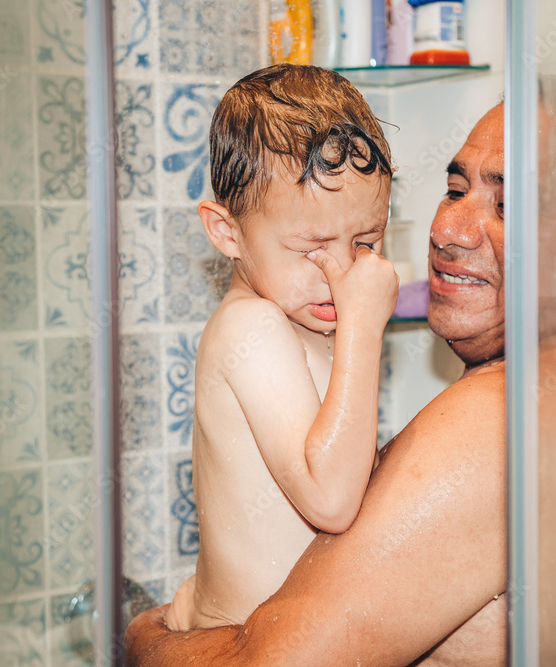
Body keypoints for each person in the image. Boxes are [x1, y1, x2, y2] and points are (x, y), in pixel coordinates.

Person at [128, 75, 556, 665]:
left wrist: (143, 637)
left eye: (508, 204)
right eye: (454, 188)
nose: (446, 231)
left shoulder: (501, 423)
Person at [163, 64, 399, 632]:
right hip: (239, 646)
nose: (341, 271)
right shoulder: (252, 329)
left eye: (365, 242)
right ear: (227, 233)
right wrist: (364, 332)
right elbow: (331, 499)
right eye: (310, 247)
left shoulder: (307, 323)